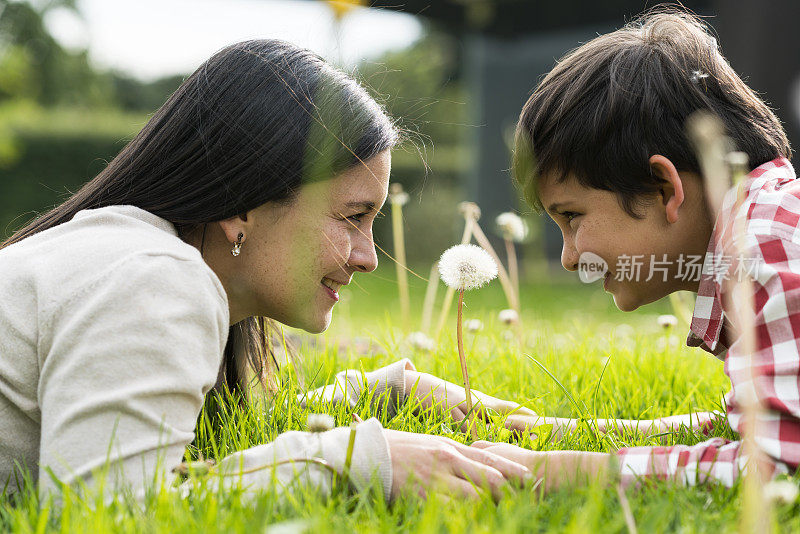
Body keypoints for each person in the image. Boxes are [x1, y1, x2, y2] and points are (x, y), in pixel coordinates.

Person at [0, 39, 532, 501]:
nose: (369, 256)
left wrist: (369, 393)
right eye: (352, 218)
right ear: (242, 206)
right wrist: (357, 461)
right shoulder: (153, 280)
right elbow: (108, 510)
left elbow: (185, 449)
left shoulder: (129, 256)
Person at [473, 9, 800, 491]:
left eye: (572, 217)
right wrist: (607, 434)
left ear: (664, 189)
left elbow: (778, 465)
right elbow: (769, 418)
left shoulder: (764, 247)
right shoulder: (765, 224)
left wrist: (562, 470)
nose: (569, 257)